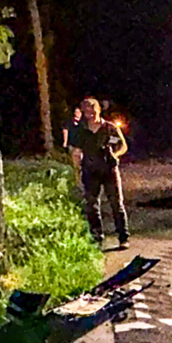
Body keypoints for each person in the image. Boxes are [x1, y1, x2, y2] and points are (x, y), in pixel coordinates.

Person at [68, 97, 129, 249]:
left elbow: (123, 146)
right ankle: (97, 239)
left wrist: (116, 155)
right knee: (92, 206)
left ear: (98, 110)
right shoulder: (81, 132)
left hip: (109, 171)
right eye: (87, 110)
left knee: (116, 204)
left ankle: (123, 237)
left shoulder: (110, 128)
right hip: (90, 172)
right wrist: (77, 173)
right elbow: (76, 152)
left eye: (92, 109)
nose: (90, 113)